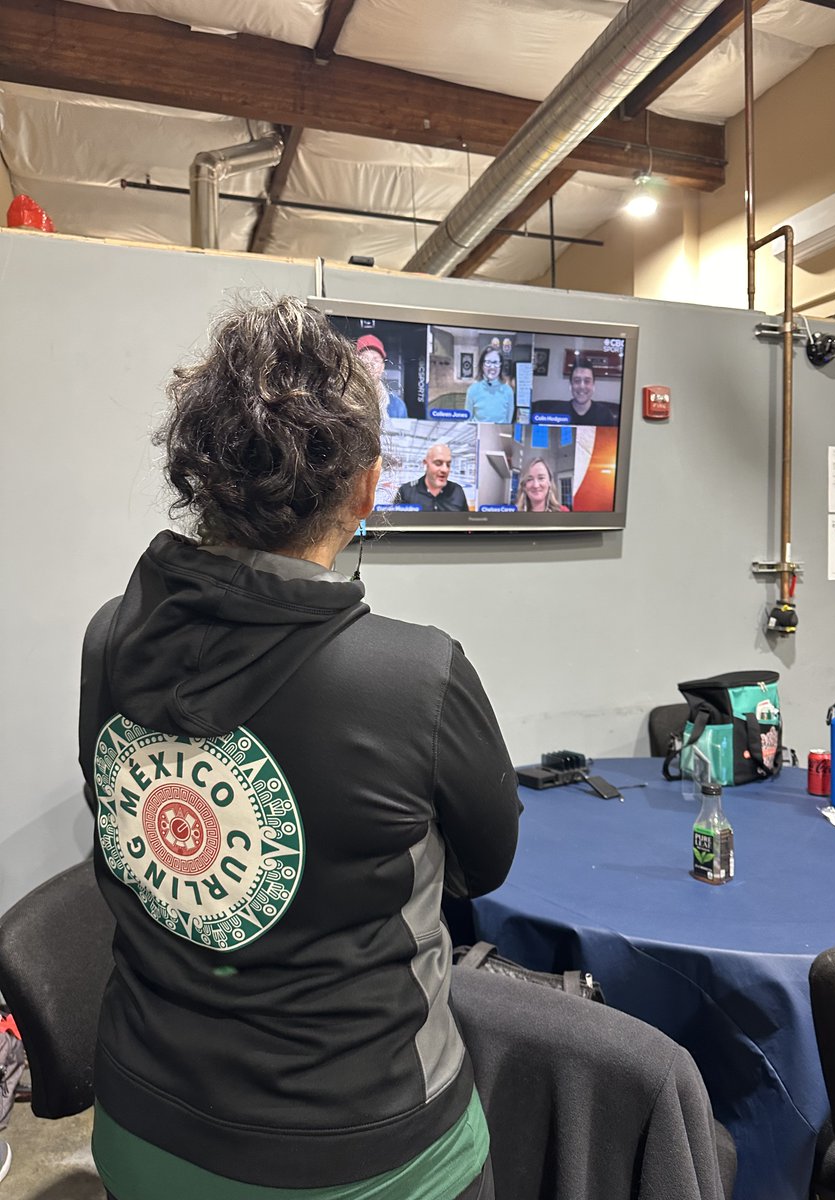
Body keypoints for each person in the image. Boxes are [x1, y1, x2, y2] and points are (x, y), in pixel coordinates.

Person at [79, 298, 519, 1200]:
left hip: (137, 1129)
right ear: (366, 492)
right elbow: (487, 866)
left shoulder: (107, 639)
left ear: (198, 477)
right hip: (372, 1159)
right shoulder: (417, 676)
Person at [532, 364, 620, 426]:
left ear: (593, 386)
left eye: (587, 381)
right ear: (570, 386)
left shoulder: (605, 414)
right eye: (577, 381)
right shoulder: (556, 412)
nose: (582, 386)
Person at [395, 442, 469, 511]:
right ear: (425, 463)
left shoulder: (457, 491)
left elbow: (466, 523)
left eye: (448, 464)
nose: (445, 469)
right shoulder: (406, 492)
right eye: (438, 463)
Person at [356, 333, 408, 418]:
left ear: (382, 367)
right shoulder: (342, 400)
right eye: (365, 358)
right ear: (355, 363)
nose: (370, 364)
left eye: (375, 359)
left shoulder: (398, 407)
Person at [465, 347, 514, 424]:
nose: (492, 367)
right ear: (482, 365)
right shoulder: (472, 390)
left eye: (495, 362)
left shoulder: (508, 391)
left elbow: (508, 421)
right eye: (488, 362)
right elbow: (467, 420)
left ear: (500, 365)